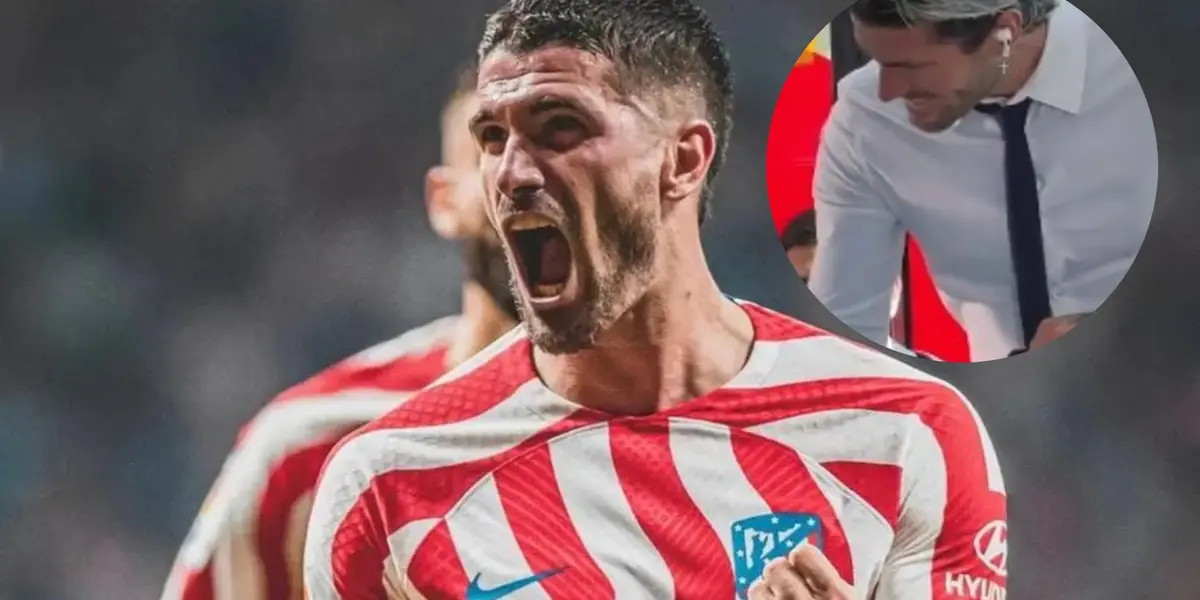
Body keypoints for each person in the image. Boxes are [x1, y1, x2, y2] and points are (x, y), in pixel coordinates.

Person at [303, 1, 1006, 599]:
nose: (512, 173)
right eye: (492, 137)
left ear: (683, 160)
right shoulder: (389, 485)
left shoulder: (908, 437)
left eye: (560, 128)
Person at [158, 66, 518, 600]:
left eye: (564, 144)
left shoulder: (674, 433)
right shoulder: (311, 449)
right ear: (443, 200)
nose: (531, 181)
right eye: (494, 148)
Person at [809, 0, 1156, 361]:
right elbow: (842, 334)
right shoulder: (865, 119)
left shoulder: (1156, 73)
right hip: (1005, 403)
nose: (888, 90)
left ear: (1004, 33)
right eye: (879, 61)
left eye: (912, 66)